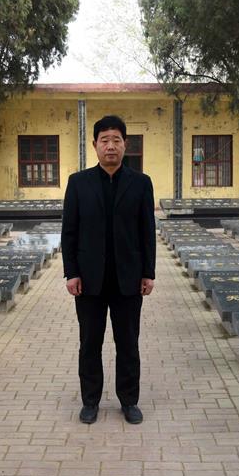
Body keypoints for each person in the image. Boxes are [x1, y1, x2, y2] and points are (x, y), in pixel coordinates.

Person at [61, 115, 156, 425]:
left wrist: (148, 273)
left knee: (128, 343)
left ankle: (129, 401)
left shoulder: (141, 183)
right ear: (95, 145)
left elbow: (147, 231)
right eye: (105, 140)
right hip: (89, 281)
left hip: (129, 279)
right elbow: (69, 232)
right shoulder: (79, 183)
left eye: (116, 140)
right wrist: (71, 273)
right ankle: (90, 401)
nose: (111, 146)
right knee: (90, 343)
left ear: (125, 144)